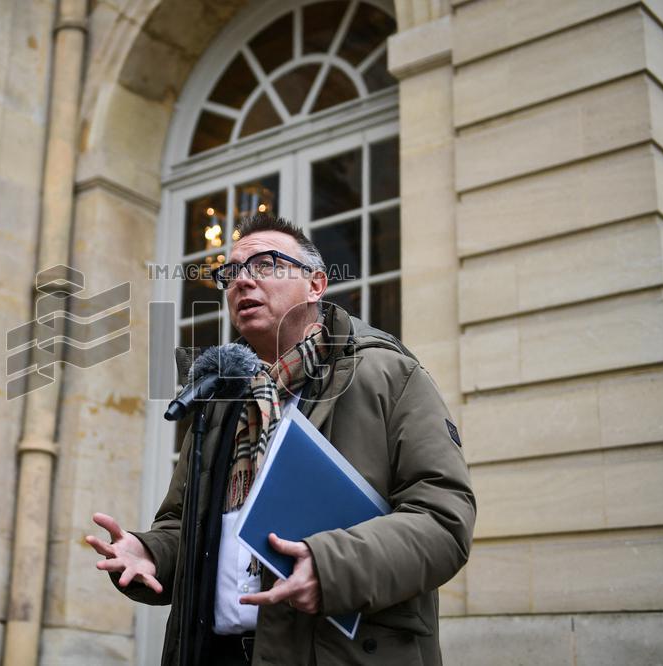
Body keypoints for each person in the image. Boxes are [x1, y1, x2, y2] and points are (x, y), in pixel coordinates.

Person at [85, 214, 476, 665]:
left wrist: (331, 568)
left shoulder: (389, 376)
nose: (242, 281)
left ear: (316, 285)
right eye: (230, 273)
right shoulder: (220, 398)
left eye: (266, 264)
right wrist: (150, 552)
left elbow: (444, 520)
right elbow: (184, 524)